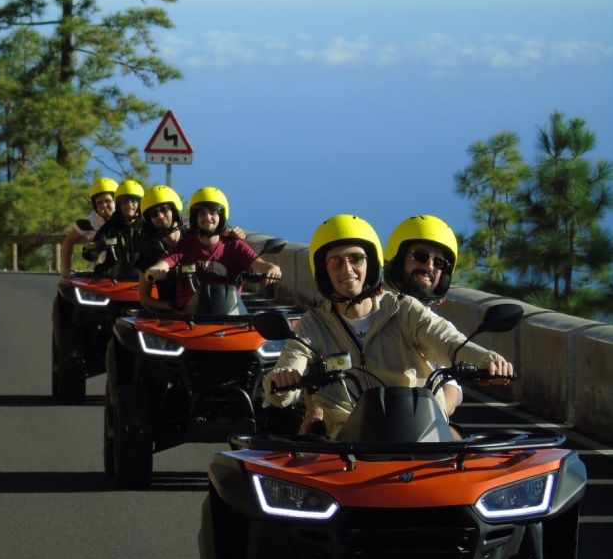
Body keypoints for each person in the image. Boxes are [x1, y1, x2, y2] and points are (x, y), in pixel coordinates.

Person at [263, 214, 513, 437]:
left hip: (418, 429)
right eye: (335, 262)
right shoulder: (312, 325)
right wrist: (282, 380)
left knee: (463, 462)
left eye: (356, 259)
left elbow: (449, 342)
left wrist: (488, 360)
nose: (347, 269)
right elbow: (287, 371)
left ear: (370, 263)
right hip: (349, 441)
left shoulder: (403, 309)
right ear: (322, 271)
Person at [143, 187, 281, 314]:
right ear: (194, 218)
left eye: (212, 212)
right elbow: (166, 262)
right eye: (202, 213)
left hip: (231, 313)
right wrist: (155, 270)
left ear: (221, 216)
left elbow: (258, 263)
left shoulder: (235, 245)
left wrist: (272, 268)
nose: (207, 217)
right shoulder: (184, 246)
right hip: (191, 316)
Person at [384, 214, 463, 415]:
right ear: (399, 259)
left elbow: (451, 387)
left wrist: (439, 415)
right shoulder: (368, 311)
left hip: (420, 425)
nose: (429, 266)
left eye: (439, 263)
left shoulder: (439, 326)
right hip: (364, 424)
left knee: (455, 440)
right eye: (420, 256)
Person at [60, 177, 117, 278]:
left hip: (134, 271)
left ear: (117, 201)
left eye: (108, 201)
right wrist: (65, 270)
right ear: (95, 205)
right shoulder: (93, 220)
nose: (104, 205)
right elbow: (69, 240)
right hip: (107, 272)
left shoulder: (130, 217)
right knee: (66, 290)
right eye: (99, 202)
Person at [90, 179, 145, 275]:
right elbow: (94, 246)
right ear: (118, 204)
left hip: (146, 277)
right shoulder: (111, 225)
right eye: (124, 201)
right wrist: (93, 248)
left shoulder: (148, 224)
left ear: (140, 203)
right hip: (115, 277)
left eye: (133, 200)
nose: (129, 205)